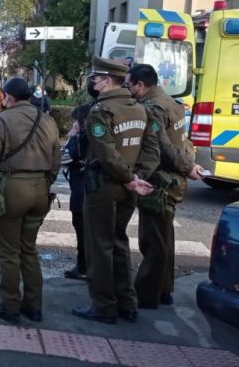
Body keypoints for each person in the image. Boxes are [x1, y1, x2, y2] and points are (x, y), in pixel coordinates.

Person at [0, 77, 61, 324]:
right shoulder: (48, 121)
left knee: (8, 251)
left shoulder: (4, 120)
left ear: (7, 97)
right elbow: (56, 159)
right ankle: (34, 306)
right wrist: (46, 182)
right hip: (40, 188)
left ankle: (10, 305)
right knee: (29, 249)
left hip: (12, 189)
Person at [72, 56, 160, 325]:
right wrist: (138, 178)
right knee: (120, 242)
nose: (93, 83)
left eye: (95, 78)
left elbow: (106, 154)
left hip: (104, 186)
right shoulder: (139, 109)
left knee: (100, 247)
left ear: (108, 80)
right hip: (130, 188)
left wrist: (128, 177)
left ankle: (103, 306)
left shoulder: (101, 111)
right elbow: (151, 150)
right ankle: (127, 302)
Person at [124, 64, 204, 308]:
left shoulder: (152, 108)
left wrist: (188, 167)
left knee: (153, 240)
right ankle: (164, 289)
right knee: (165, 238)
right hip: (172, 180)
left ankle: (148, 294)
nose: (128, 89)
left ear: (140, 85)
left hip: (160, 181)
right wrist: (188, 164)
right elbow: (181, 140)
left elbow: (162, 147)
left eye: (129, 84)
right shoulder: (171, 101)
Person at [62, 99, 94, 280]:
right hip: (89, 189)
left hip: (82, 190)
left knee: (82, 231)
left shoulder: (82, 139)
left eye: (76, 121)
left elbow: (64, 158)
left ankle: (83, 267)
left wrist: (72, 137)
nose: (73, 124)